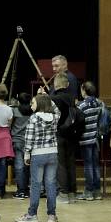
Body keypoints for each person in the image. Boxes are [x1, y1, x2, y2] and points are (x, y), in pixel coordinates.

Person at [15, 94, 60, 222]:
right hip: (52, 153)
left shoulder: (33, 118)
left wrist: (27, 154)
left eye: (33, 103)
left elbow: (29, 138)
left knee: (36, 184)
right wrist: (47, 97)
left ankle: (32, 214)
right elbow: (57, 110)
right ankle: (52, 215)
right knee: (50, 184)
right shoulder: (55, 117)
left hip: (37, 154)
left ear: (39, 105)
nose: (31, 105)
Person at [42, 72, 76, 203]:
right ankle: (72, 193)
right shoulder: (72, 98)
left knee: (60, 164)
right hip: (72, 134)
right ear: (67, 84)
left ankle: (63, 193)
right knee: (70, 164)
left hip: (59, 134)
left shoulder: (54, 98)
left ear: (55, 85)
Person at [78, 81, 103, 200]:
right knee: (95, 165)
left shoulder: (82, 106)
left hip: (85, 139)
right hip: (95, 138)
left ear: (84, 90)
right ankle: (97, 191)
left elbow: (78, 122)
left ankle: (88, 191)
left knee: (88, 166)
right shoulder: (98, 103)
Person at [10, 92, 32, 199]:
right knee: (28, 165)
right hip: (29, 141)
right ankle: (28, 189)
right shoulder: (33, 111)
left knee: (19, 166)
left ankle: (21, 190)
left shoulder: (15, 111)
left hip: (17, 140)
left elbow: (10, 125)